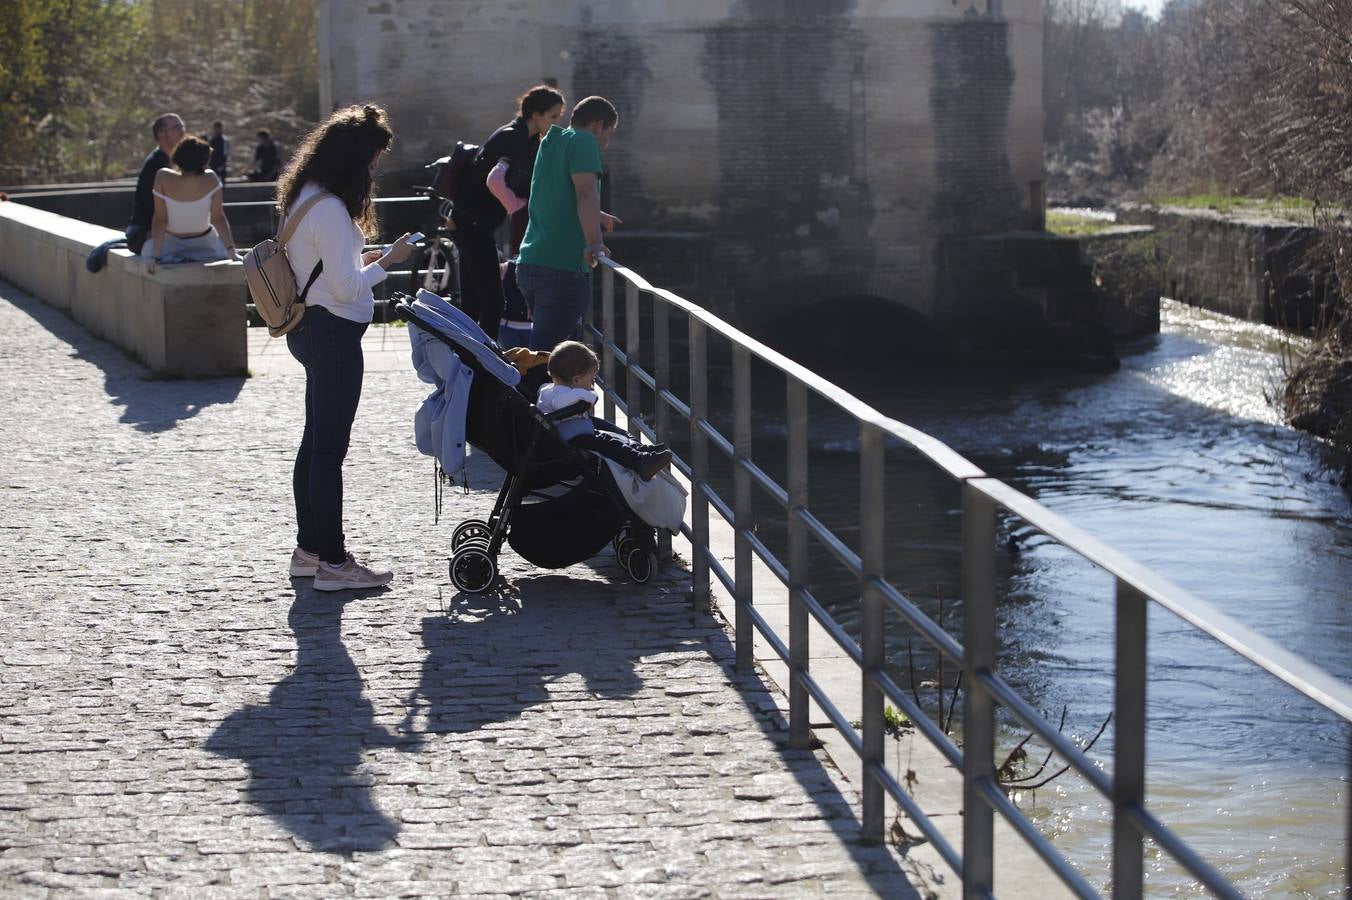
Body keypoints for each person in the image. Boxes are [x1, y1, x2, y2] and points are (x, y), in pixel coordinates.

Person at [277, 103, 416, 591]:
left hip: (308, 329)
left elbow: (328, 265)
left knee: (315, 441)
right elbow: (344, 288)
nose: (374, 168)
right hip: (332, 332)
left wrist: (365, 258)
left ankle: (309, 551)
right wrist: (391, 261)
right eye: (373, 158)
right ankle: (334, 563)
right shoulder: (333, 209)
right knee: (328, 450)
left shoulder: (305, 196)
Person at [451, 84, 565, 337]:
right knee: (493, 302)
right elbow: (494, 180)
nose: (557, 123)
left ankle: (467, 363)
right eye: (553, 116)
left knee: (473, 302)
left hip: (472, 223)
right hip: (473, 224)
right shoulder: (512, 137)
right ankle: (486, 366)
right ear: (536, 114)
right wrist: (516, 206)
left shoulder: (526, 140)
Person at [517, 96, 622, 351]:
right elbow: (585, 193)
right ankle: (525, 391)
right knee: (546, 360)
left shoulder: (551, 141)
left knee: (544, 352)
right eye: (609, 132)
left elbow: (555, 194)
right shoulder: (585, 141)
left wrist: (596, 214)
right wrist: (595, 244)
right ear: (598, 126)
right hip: (561, 270)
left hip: (530, 264)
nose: (606, 142)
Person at [536, 341, 671, 480]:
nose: (592, 385)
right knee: (606, 441)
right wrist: (589, 395)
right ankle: (639, 462)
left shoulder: (554, 389)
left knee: (612, 430)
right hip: (563, 439)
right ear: (576, 380)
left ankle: (638, 449)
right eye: (591, 380)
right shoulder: (557, 393)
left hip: (571, 429)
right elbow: (562, 403)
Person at [145, 135, 237, 273]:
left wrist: (154, 256)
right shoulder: (211, 178)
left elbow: (160, 219)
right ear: (203, 161)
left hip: (170, 245)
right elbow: (218, 218)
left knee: (146, 248)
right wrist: (232, 252)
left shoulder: (162, 176)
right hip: (206, 244)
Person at [126, 112, 185, 254]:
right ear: (161, 134)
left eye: (182, 126)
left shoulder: (177, 161)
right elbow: (158, 212)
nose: (183, 131)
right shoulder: (157, 165)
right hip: (145, 234)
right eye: (177, 127)